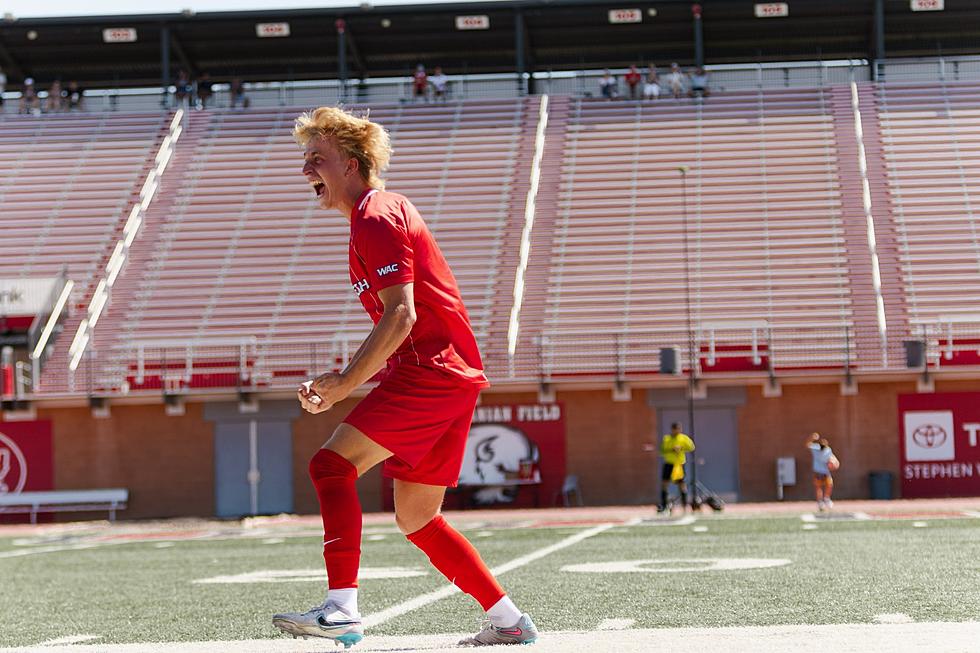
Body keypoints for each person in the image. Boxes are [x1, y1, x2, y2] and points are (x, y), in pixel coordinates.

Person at [272, 106, 538, 648]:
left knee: (330, 464)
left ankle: (342, 608)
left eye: (315, 159)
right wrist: (344, 381)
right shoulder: (370, 217)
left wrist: (345, 383)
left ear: (349, 163)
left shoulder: (376, 214)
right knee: (418, 517)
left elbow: (402, 315)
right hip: (447, 374)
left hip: (432, 371)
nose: (306, 171)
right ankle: (509, 620)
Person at [659, 422, 695, 513]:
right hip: (669, 463)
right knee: (664, 484)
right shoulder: (667, 439)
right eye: (675, 429)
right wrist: (672, 450)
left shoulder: (684, 438)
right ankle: (664, 505)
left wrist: (681, 448)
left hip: (679, 464)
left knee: (681, 485)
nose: (677, 431)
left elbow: (691, 447)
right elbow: (661, 450)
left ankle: (684, 506)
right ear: (672, 429)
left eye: (678, 429)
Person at [806, 433, 838, 511]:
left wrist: (835, 463)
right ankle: (820, 502)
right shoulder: (816, 449)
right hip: (818, 471)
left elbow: (832, 458)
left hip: (825, 471)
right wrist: (812, 438)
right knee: (818, 487)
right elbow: (807, 444)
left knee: (829, 485)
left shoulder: (828, 450)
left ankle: (826, 498)